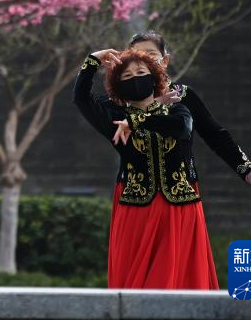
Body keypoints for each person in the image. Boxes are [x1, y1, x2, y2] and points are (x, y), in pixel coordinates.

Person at [73, 47, 218, 289]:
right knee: (139, 284)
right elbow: (81, 99)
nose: (135, 79)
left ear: (154, 77)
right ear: (119, 85)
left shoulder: (177, 109)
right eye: (127, 76)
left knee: (178, 281)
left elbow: (180, 128)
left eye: (141, 72)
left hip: (179, 209)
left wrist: (135, 120)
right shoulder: (115, 118)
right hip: (137, 211)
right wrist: (92, 61)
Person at [127, 31, 251, 194]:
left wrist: (248, 171)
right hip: (134, 194)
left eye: (150, 55)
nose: (144, 61)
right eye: (137, 56)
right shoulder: (122, 100)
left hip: (181, 193)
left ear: (165, 60)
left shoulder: (183, 95)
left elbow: (215, 135)